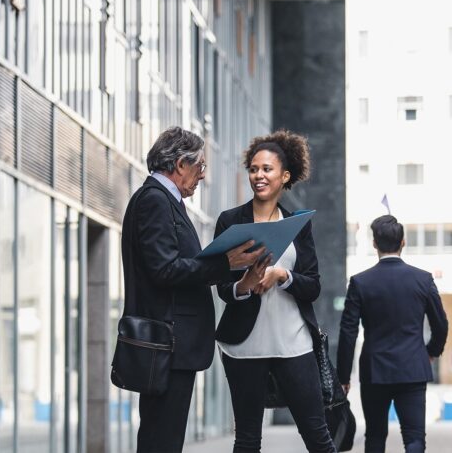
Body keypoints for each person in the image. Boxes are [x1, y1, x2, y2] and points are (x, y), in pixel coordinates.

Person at [122, 126, 267, 452]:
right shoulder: (155, 201)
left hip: (172, 342)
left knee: (163, 437)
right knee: (162, 439)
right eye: (200, 166)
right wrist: (223, 263)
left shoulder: (162, 201)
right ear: (179, 164)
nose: (203, 175)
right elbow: (164, 269)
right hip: (168, 342)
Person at [214, 130, 337, 453]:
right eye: (254, 169)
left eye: (267, 169)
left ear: (285, 176)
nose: (259, 175)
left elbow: (313, 286)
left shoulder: (298, 223)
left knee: (317, 434)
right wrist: (245, 285)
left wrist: (283, 275)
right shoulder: (230, 222)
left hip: (292, 343)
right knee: (247, 439)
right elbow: (221, 286)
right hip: (243, 346)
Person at [336, 215, 448, 453]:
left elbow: (348, 332)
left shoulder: (360, 282)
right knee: (415, 438)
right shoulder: (423, 279)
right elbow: (441, 324)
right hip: (413, 369)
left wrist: (343, 377)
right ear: (403, 242)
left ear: (374, 243)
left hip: (375, 371)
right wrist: (430, 352)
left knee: (375, 437)